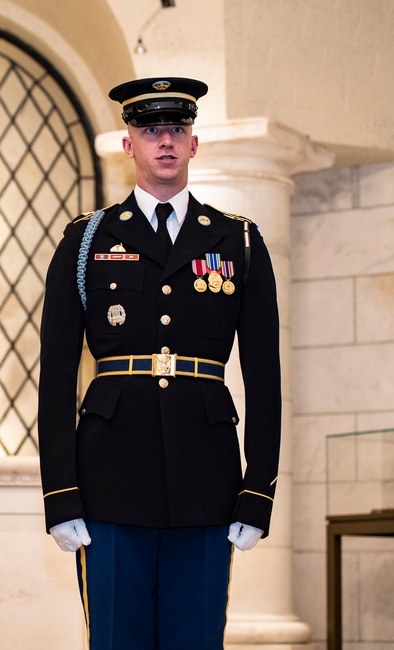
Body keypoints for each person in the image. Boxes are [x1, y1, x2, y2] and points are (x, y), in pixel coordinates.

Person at [37, 77, 281, 648]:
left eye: (176, 129)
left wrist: (258, 488)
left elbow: (266, 379)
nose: (164, 141)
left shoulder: (238, 241)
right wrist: (60, 493)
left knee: (196, 637)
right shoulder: (86, 239)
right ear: (130, 146)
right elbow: (55, 378)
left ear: (194, 144)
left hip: (207, 477)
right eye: (150, 131)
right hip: (110, 478)